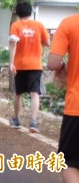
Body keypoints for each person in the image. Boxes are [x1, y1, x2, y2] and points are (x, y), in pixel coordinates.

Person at [8, 1, 50, 133]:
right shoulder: (39, 25)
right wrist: (37, 42)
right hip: (35, 65)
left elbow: (13, 44)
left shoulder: (15, 25)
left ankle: (17, 120)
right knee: (34, 93)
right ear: (30, 12)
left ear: (17, 13)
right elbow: (48, 42)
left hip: (20, 65)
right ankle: (33, 123)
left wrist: (11, 63)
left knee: (18, 93)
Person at [47, 13, 79, 183]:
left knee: (68, 162)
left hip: (77, 108)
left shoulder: (70, 23)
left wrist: (61, 67)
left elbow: (52, 62)